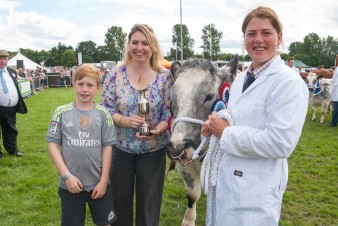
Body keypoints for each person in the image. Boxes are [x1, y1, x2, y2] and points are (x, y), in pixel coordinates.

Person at [201, 6, 309, 226]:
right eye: (251, 34)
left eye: (266, 33)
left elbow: (280, 143)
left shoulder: (289, 83)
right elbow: (234, 118)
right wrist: (213, 126)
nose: (258, 39)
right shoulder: (241, 78)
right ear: (244, 39)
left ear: (279, 38)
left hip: (255, 192)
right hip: (228, 182)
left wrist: (225, 133)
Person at [101, 23, 173, 226]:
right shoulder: (116, 74)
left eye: (145, 43)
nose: (139, 48)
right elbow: (105, 108)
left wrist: (157, 130)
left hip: (153, 150)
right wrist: (124, 121)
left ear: (153, 47)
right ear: (128, 45)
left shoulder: (164, 77)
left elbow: (169, 112)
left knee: (148, 204)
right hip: (120, 148)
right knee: (119, 202)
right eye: (135, 42)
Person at [46, 64, 117, 225]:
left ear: (98, 88)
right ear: (73, 85)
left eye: (90, 85)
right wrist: (67, 177)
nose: (85, 89)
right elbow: (52, 145)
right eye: (80, 84)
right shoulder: (61, 112)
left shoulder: (104, 114)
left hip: (98, 184)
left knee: (105, 222)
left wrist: (104, 181)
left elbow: (108, 147)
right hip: (70, 185)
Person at [0, 50, 27, 161]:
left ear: (7, 60)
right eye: (0, 58)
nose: (2, 61)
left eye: (4, 58)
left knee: (11, 129)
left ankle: (12, 150)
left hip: (10, 108)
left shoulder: (11, 72)